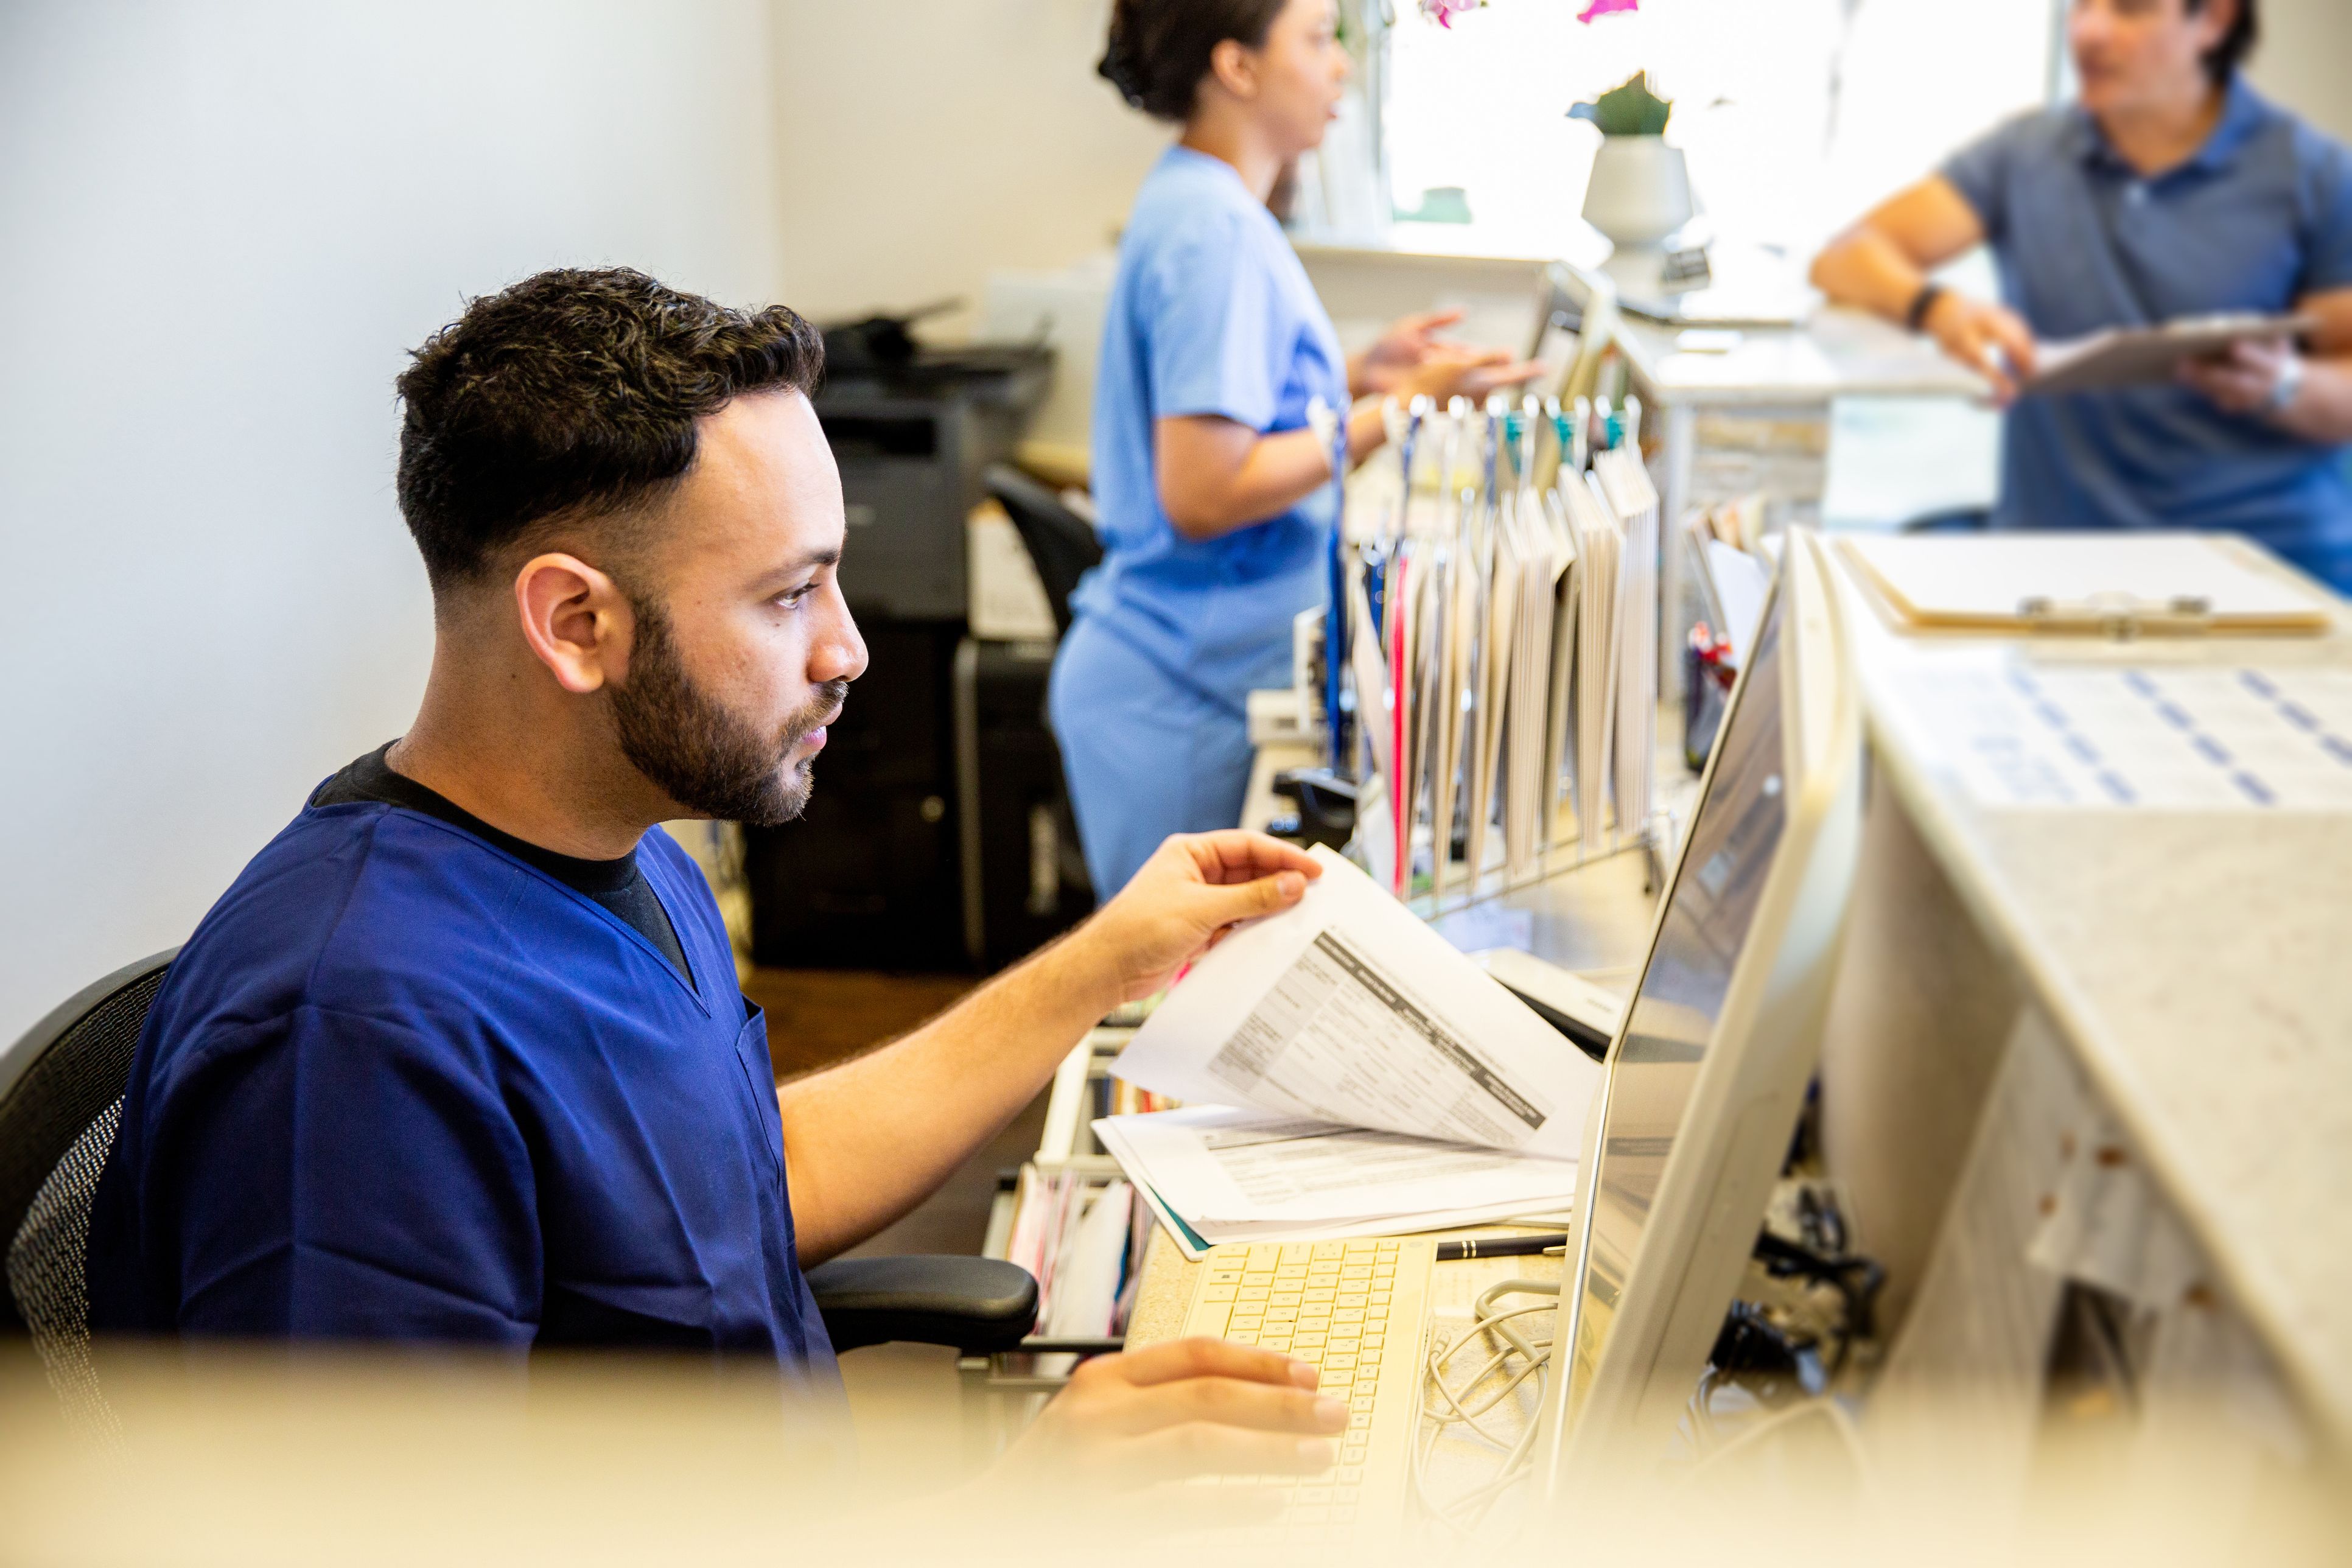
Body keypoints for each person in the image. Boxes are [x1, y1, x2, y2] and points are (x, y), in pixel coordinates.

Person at [84, 267, 1352, 1484]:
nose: (847, 647)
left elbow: (740, 1180)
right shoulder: (353, 1046)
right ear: (576, 622)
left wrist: (1107, 960)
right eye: (791, 593)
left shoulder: (622, 846)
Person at [1052, 0, 1539, 895]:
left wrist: (1352, 376)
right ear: (1237, 67)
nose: (1341, 66)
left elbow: (1230, 404)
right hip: (1177, 695)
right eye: (1316, 40)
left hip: (1179, 670)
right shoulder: (1217, 232)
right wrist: (1388, 413)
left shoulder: (1201, 197)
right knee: (1172, 1007)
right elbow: (1204, 489)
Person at [1809, 0, 2352, 588]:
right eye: (2081, 6)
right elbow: (1846, 257)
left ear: (2215, 20)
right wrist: (1942, 309)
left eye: (2129, 8)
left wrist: (2284, 387)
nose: (2089, 30)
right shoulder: (2024, 155)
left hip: (2267, 566)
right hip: (2058, 565)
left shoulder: (2314, 175)